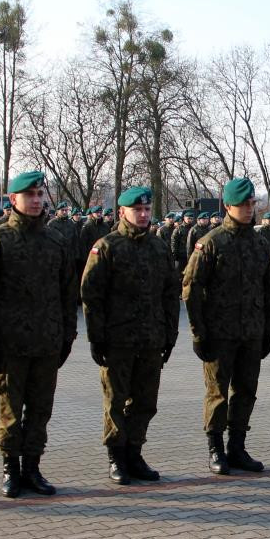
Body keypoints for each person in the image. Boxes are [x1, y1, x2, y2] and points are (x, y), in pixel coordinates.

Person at [0, 171, 79, 498]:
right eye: (28, 195)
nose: (35, 200)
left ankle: (32, 467)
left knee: (40, 410)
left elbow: (68, 296)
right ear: (12, 199)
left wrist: (67, 338)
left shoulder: (56, 240)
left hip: (46, 343)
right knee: (11, 411)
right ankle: (10, 469)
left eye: (39, 194)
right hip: (10, 345)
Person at [81, 186, 180, 485]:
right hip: (118, 340)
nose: (144, 214)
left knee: (145, 401)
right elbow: (91, 295)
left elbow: (170, 293)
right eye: (138, 210)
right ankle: (116, 457)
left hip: (151, 339)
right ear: (122, 212)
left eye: (147, 210)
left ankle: (135, 453)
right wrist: (96, 338)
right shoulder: (107, 246)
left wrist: (170, 335)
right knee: (115, 400)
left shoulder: (159, 247)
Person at [182, 178, 270, 475]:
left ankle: (237, 447)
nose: (249, 209)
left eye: (252, 204)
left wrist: (268, 331)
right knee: (218, 394)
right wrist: (199, 333)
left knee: (246, 391)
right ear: (227, 206)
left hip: (250, 332)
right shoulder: (211, 242)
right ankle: (215, 449)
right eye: (243, 205)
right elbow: (191, 289)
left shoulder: (260, 243)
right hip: (219, 334)